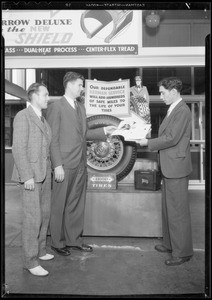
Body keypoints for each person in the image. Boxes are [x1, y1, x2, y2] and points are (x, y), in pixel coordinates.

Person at [46, 71, 116, 256]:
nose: (82, 88)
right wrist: (57, 165)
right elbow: (52, 139)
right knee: (59, 204)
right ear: (69, 85)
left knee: (76, 203)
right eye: (79, 85)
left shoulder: (80, 108)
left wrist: (103, 131)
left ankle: (74, 240)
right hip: (64, 164)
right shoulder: (56, 107)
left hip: (80, 163)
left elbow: (83, 134)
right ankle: (57, 243)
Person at [139, 77, 193, 266]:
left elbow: (171, 138)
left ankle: (183, 252)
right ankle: (170, 244)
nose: (160, 96)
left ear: (174, 91)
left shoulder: (182, 110)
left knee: (178, 211)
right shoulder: (173, 109)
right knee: (168, 209)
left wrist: (148, 142)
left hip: (177, 168)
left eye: (162, 92)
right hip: (170, 166)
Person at [11, 83, 53, 276]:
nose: (48, 98)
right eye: (45, 95)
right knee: (32, 219)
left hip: (43, 175)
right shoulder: (23, 116)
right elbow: (18, 148)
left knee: (44, 215)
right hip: (31, 176)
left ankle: (41, 250)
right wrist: (26, 175)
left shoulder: (43, 119)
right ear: (33, 96)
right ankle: (30, 261)